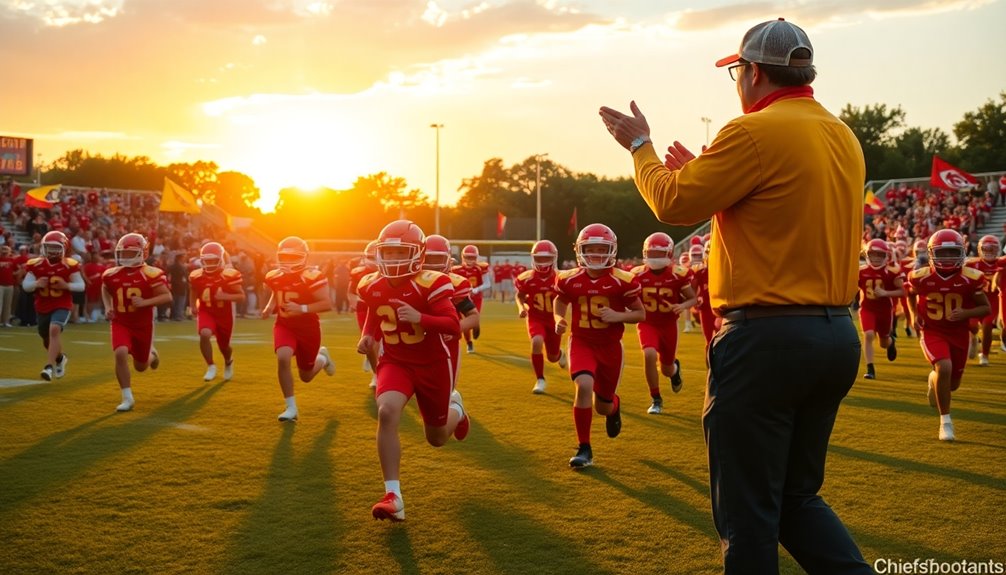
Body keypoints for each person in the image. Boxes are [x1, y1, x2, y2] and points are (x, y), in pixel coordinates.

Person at [599, 18, 872, 572]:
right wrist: (708, 175)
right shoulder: (842, 133)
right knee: (797, 499)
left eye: (735, 71)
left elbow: (673, 203)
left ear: (751, 72)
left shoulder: (752, 131)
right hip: (835, 334)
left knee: (747, 515)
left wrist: (640, 147)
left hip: (767, 339)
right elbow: (777, 209)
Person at [356, 220, 469, 522]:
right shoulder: (372, 284)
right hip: (397, 361)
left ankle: (456, 408)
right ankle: (393, 495)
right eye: (388, 253)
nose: (392, 260)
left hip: (433, 365)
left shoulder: (430, 282)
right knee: (387, 412)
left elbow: (454, 326)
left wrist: (421, 317)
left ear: (417, 254)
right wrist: (368, 335)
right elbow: (373, 311)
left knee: (436, 438)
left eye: (399, 253)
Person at [553, 223, 644, 469]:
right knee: (583, 385)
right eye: (590, 249)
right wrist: (559, 318)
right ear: (579, 250)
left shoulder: (622, 280)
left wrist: (618, 316)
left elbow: (640, 314)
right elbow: (560, 302)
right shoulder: (569, 279)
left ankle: (614, 406)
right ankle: (584, 448)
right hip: (582, 342)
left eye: (601, 249)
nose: (595, 254)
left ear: (611, 251)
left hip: (610, 346)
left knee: (602, 406)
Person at [907, 229, 989, 441]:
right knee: (944, 366)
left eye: (952, 252)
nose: (947, 257)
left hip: (958, 333)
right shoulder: (920, 277)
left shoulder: (972, 278)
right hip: (933, 330)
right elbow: (910, 295)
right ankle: (946, 423)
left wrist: (966, 313)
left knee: (952, 384)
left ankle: (933, 380)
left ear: (962, 252)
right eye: (942, 253)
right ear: (932, 254)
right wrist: (914, 315)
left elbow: (985, 309)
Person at [260, 236, 335, 422]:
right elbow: (276, 292)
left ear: (304, 257)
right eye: (284, 257)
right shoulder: (274, 276)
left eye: (293, 257)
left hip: (308, 329)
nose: (287, 261)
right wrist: (270, 307)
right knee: (283, 357)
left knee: (306, 376)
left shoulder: (312, 277)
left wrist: (301, 309)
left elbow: (326, 303)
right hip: (284, 325)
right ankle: (291, 407)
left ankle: (323, 358)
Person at [101, 233, 172, 411]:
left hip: (142, 324)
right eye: (122, 253)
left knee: (140, 366)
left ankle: (152, 355)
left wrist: (145, 303)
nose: (124, 257)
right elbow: (105, 288)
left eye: (130, 253)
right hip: (120, 321)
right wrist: (107, 306)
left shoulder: (150, 273)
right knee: (120, 353)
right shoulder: (111, 274)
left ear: (143, 253)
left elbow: (167, 296)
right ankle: (127, 397)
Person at [631, 232, 696, 414]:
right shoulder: (637, 274)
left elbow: (693, 299)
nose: (655, 258)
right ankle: (656, 398)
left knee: (667, 369)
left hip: (668, 324)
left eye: (659, 254)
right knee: (649, 354)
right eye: (651, 254)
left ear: (668, 254)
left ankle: (674, 370)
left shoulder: (678, 274)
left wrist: (681, 305)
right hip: (647, 322)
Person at [21, 231, 85, 380]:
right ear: (43, 248)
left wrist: (66, 285)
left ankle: (48, 367)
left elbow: (80, 285)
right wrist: (36, 283)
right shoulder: (35, 264)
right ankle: (60, 359)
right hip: (42, 305)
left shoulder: (70, 264)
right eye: (49, 247)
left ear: (64, 249)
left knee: (54, 329)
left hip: (61, 303)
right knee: (46, 338)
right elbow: (25, 285)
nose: (52, 251)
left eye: (56, 247)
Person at [423, 234, 480, 386]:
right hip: (415, 344)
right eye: (428, 259)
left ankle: (457, 408)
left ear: (448, 260)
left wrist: (455, 328)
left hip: (447, 345)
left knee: (446, 390)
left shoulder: (455, 284)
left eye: (437, 259)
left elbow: (474, 317)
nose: (432, 265)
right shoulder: (411, 281)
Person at [514, 239, 567, 394]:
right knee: (536, 341)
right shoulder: (527, 278)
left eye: (546, 258)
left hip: (553, 319)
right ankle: (540, 379)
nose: (543, 262)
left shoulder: (560, 278)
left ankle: (560, 354)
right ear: (533, 258)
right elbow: (520, 296)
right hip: (536, 317)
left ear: (554, 258)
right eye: (539, 258)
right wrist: (521, 307)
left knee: (552, 357)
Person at [189, 242, 244, 382]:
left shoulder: (228, 275)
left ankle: (228, 361)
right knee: (204, 334)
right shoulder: (197, 276)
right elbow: (193, 290)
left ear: (220, 259)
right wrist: (192, 306)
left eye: (213, 260)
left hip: (224, 314)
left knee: (224, 346)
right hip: (206, 310)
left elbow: (241, 296)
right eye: (207, 260)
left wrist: (225, 296)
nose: (210, 263)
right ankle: (211, 365)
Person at [857, 239, 905, 379]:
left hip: (884, 310)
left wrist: (886, 293)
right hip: (867, 308)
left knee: (884, 342)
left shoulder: (891, 272)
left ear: (886, 256)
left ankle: (891, 342)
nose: (876, 258)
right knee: (869, 335)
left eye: (880, 255)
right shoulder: (861, 271)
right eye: (873, 254)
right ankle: (870, 368)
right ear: (867, 255)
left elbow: (902, 291)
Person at [349, 241, 381, 389]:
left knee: (384, 343)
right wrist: (351, 302)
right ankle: (377, 375)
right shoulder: (358, 272)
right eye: (370, 257)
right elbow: (350, 291)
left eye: (375, 257)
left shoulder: (391, 272)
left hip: (383, 308)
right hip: (363, 308)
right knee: (369, 342)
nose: (372, 261)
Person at [964, 235, 1000, 366]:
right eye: (986, 248)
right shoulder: (972, 264)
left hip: (992, 300)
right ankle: (973, 338)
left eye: (993, 248)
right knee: (973, 326)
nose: (989, 251)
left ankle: (984, 355)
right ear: (980, 249)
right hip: (975, 300)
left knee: (987, 325)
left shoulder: (1001, 263)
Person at [451, 245, 490, 353]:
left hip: (476, 298)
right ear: (463, 257)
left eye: (472, 257)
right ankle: (469, 343)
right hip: (462, 299)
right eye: (468, 257)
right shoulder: (456, 270)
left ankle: (476, 325)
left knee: (474, 318)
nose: (470, 260)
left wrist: (475, 290)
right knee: (465, 322)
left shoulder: (480, 268)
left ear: (476, 257)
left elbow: (487, 283)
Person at [0, 245, 17, 327]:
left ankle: (5, 321)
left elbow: (15, 272)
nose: (4, 251)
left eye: (6, 249)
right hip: (0, 284)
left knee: (7, 304)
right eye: (3, 249)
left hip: (10, 284)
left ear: (10, 251)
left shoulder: (12, 260)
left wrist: (21, 270)